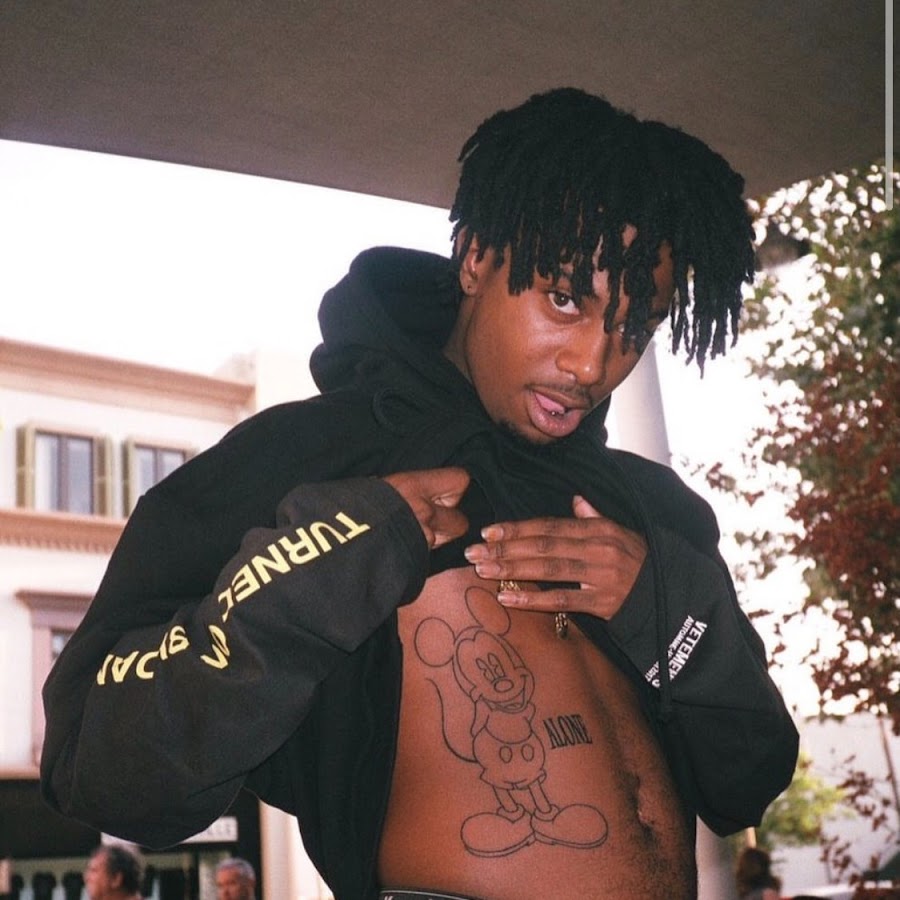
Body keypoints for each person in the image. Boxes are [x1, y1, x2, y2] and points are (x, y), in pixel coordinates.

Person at [40, 88, 799, 899]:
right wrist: (312, 575)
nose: (592, 364)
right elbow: (96, 768)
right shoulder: (311, 459)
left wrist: (666, 611)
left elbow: (746, 784)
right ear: (475, 257)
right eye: (565, 298)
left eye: (634, 327)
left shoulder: (649, 512)